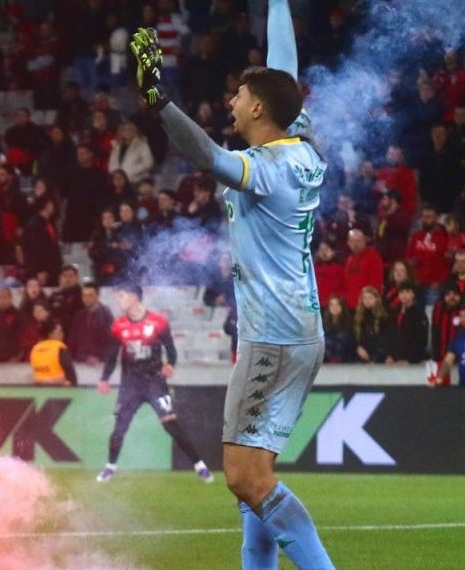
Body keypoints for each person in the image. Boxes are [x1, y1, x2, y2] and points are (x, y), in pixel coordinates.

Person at [128, 4, 335, 566]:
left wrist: (159, 102)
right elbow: (283, 66)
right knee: (254, 476)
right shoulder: (300, 146)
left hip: (272, 335)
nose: (232, 102)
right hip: (299, 327)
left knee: (245, 478)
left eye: (239, 96)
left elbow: (210, 157)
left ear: (259, 108)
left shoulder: (266, 169)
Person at [96, 283, 214, 484]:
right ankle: (110, 467)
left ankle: (200, 465)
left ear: (134, 297)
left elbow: (171, 349)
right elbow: (111, 356)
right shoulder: (118, 325)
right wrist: (104, 379)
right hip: (130, 385)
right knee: (119, 427)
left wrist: (171, 364)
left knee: (171, 424)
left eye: (122, 296)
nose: (118, 300)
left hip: (154, 382)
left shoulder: (158, 322)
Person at [68, 283, 115, 364]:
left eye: (90, 295)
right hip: (79, 361)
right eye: (84, 295)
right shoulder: (78, 315)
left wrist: (98, 357)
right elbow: (72, 340)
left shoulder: (106, 314)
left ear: (98, 296)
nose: (86, 299)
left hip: (99, 363)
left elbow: (110, 341)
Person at [386, 283, 428, 364]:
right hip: (395, 359)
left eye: (407, 291)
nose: (404, 295)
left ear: (413, 294)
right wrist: (389, 355)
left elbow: (421, 341)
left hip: (413, 361)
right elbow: (389, 335)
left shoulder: (419, 314)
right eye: (401, 292)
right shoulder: (394, 312)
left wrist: (409, 359)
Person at [30, 319, 77, 386]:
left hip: (39, 387)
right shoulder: (59, 348)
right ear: (50, 333)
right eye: (59, 332)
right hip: (58, 388)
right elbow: (71, 374)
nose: (62, 334)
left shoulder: (35, 349)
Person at [354, 287, 389, 364]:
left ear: (376, 299)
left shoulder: (383, 318)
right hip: (361, 357)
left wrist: (374, 359)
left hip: (378, 359)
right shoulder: (358, 317)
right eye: (365, 298)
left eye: (370, 298)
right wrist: (358, 347)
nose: (367, 301)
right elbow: (355, 338)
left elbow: (384, 342)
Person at [322, 296, 355, 363]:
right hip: (326, 362)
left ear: (342, 306)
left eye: (337, 304)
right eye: (332, 305)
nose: (334, 308)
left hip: (346, 362)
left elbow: (352, 345)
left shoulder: (349, 324)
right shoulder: (322, 325)